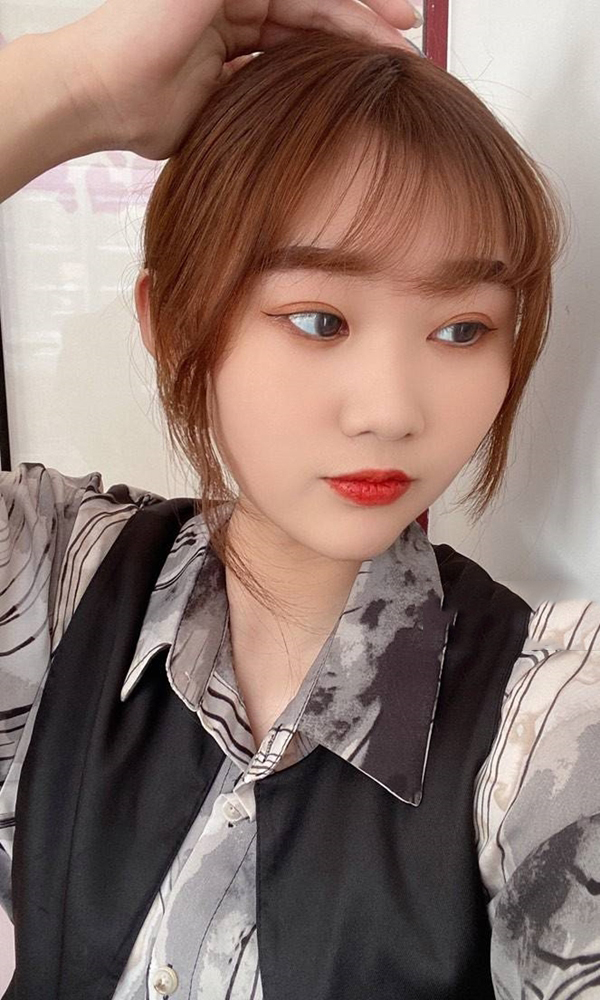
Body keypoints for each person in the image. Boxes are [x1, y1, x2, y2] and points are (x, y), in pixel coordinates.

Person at [0, 1, 599, 998]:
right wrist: (76, 90)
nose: (391, 410)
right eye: (320, 320)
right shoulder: (53, 582)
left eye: (462, 329)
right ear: (175, 323)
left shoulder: (548, 726)